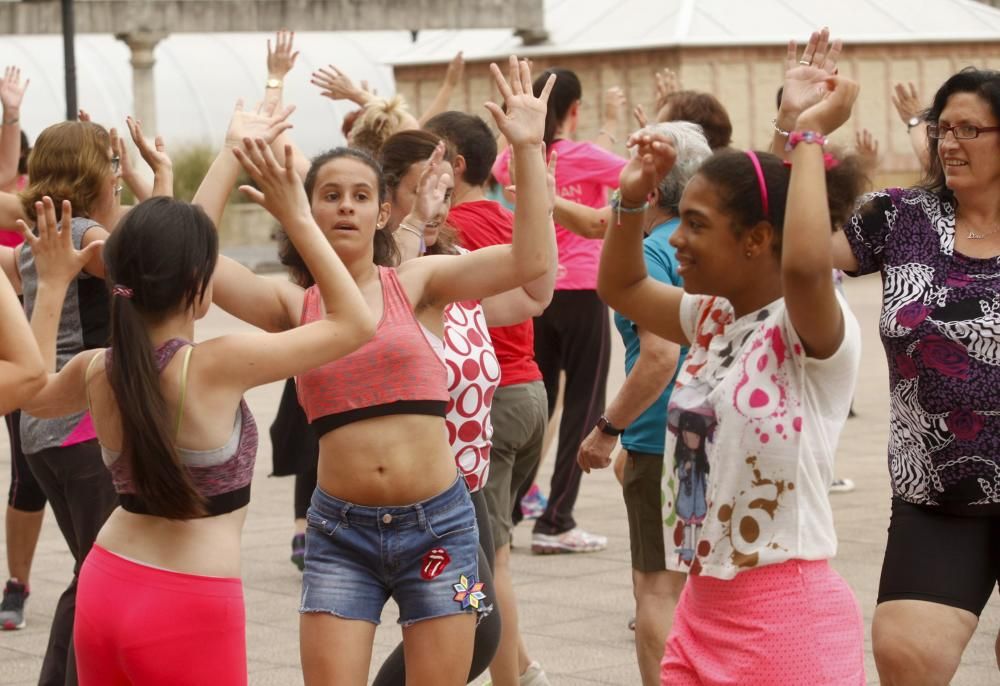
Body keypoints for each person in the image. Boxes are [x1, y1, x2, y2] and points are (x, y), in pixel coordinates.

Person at [194, 56, 553, 685]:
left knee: (459, 655)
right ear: (302, 209)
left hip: (442, 529)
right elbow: (190, 265)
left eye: (362, 196)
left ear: (385, 213)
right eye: (329, 195)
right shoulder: (291, 304)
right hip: (339, 536)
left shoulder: (419, 281)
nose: (346, 208)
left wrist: (527, 149)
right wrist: (230, 155)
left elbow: (531, 262)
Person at [18, 130, 373, 684]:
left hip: (105, 582)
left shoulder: (97, 369)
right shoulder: (217, 364)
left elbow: (30, 388)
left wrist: (53, 283)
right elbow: (354, 323)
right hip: (188, 602)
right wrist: (299, 219)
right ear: (198, 286)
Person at [599, 69, 867, 683]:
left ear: (756, 240)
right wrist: (631, 197)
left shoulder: (808, 332)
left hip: (785, 614)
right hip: (700, 604)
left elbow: (803, 265)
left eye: (696, 224)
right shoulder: (714, 317)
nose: (679, 241)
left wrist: (809, 137)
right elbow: (621, 285)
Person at [828, 67, 1000, 686]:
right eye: (942, 127)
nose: (949, 143)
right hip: (937, 491)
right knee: (906, 658)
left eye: (970, 129)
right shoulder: (899, 217)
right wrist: (800, 136)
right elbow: (792, 253)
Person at [372, 128, 556, 686]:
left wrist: (539, 204)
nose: (436, 203)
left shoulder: (455, 263)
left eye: (445, 192)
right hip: (415, 503)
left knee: (470, 621)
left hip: (465, 490)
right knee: (469, 621)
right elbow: (388, 306)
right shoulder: (369, 270)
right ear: (386, 198)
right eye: (423, 188)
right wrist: (409, 228)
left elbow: (533, 294)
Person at [576, 120, 710, 686]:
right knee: (706, 582)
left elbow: (658, 357)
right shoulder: (712, 242)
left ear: (650, 189)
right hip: (713, 432)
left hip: (664, 439)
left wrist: (608, 428)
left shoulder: (655, 251)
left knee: (656, 585)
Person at [423, 110, 555, 686]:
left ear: (453, 167)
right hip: (531, 396)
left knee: (491, 558)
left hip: (486, 407)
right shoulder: (508, 219)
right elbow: (535, 294)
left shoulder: (448, 235)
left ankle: (513, 678)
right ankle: (521, 666)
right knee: (490, 549)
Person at [491, 66, 627, 555]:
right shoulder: (585, 156)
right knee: (584, 409)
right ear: (575, 110)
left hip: (537, 291)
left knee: (539, 406)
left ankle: (504, 511)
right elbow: (633, 183)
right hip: (585, 290)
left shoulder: (513, 159)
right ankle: (556, 519)